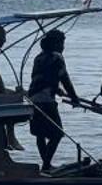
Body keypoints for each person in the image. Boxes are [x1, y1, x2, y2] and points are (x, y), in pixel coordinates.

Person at [26, 28, 82, 170]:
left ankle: (45, 164)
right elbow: (65, 78)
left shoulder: (38, 57)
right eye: (61, 43)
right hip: (46, 101)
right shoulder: (57, 57)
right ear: (55, 44)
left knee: (40, 134)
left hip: (33, 98)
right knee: (57, 134)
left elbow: (40, 78)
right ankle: (46, 165)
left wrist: (56, 89)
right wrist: (74, 98)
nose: (63, 47)